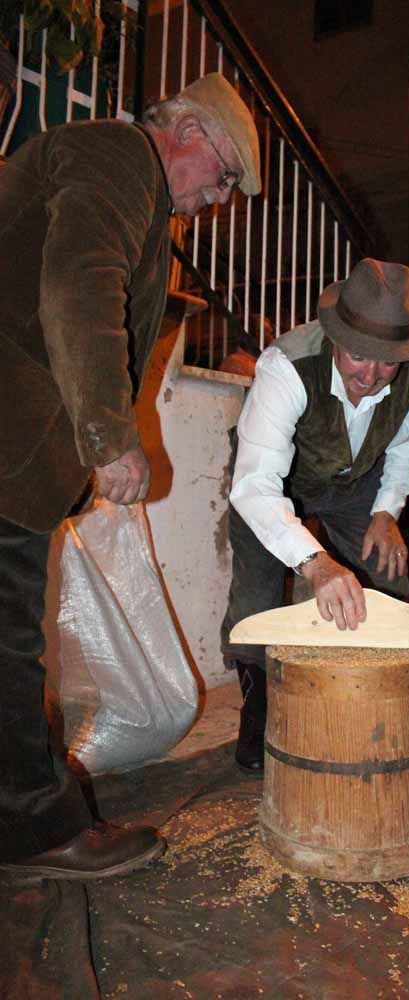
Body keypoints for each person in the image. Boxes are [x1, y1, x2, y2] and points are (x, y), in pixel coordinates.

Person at [0, 73, 260, 879]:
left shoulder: (116, 173)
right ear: (189, 133)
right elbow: (79, 283)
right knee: (7, 643)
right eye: (223, 177)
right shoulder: (118, 154)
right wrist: (109, 437)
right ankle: (35, 832)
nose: (217, 200)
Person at [222, 258, 409, 771]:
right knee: (257, 594)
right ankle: (257, 711)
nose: (372, 376)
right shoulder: (286, 367)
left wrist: (386, 513)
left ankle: (387, 703)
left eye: (388, 363)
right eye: (360, 356)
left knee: (388, 572)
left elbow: (408, 445)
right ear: (336, 338)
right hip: (277, 480)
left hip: (355, 480)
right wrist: (315, 564)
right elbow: (255, 486)